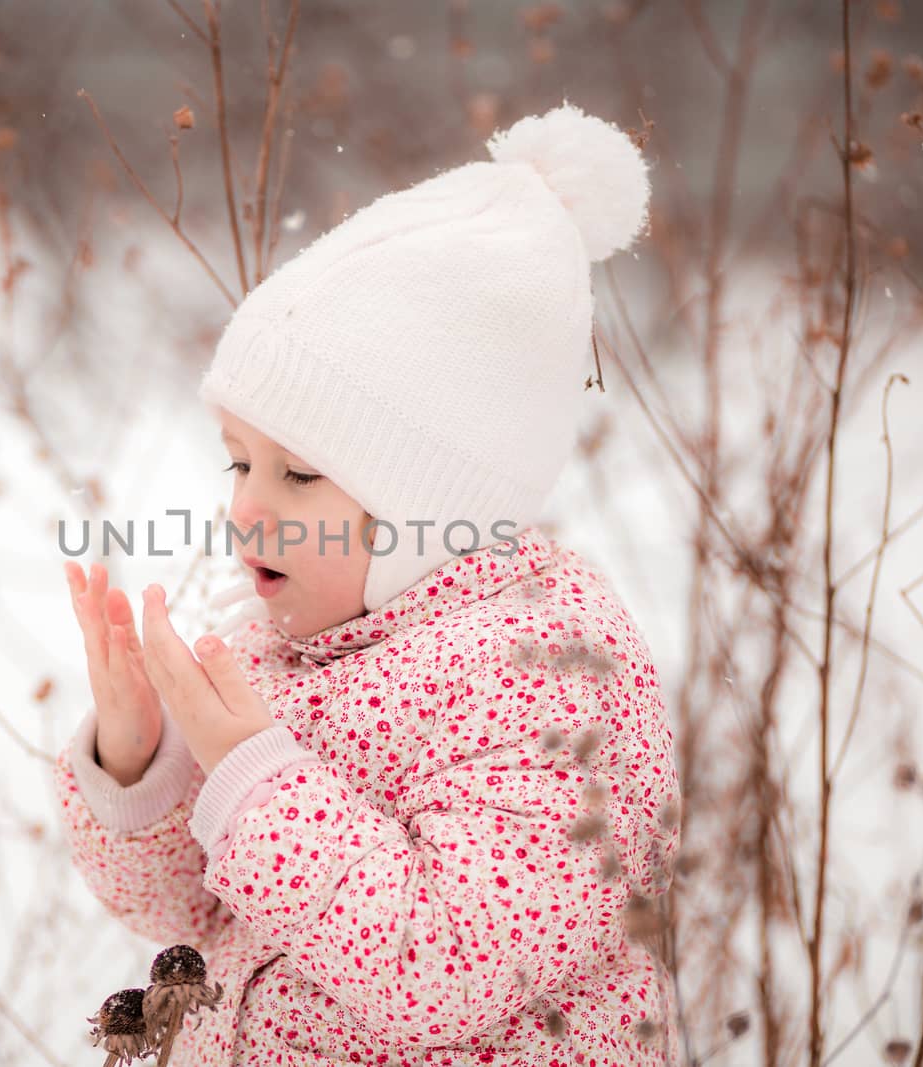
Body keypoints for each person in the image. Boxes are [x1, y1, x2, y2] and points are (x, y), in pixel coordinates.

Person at [53, 101, 681, 1065]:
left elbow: (439, 971)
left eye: (297, 474)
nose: (245, 510)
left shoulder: (550, 680)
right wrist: (148, 767)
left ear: (431, 505)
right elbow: (187, 911)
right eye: (238, 463)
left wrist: (254, 774)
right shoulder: (293, 638)